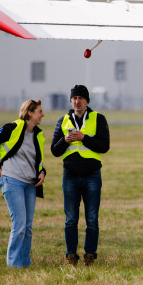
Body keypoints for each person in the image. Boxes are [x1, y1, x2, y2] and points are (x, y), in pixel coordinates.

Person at [0, 99, 47, 268]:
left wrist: (42, 172)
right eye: (40, 111)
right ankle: (13, 266)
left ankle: (25, 264)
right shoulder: (13, 127)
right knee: (19, 225)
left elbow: (36, 160)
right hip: (12, 180)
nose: (42, 114)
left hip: (30, 184)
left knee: (28, 226)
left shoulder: (38, 134)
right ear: (30, 113)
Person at [51, 85, 110, 266]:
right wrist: (65, 140)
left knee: (92, 218)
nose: (77, 101)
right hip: (70, 176)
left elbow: (104, 146)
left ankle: (90, 254)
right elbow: (54, 150)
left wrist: (84, 138)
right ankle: (71, 255)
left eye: (81, 98)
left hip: (92, 175)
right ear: (71, 101)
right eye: (74, 98)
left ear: (87, 101)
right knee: (70, 220)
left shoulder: (98, 118)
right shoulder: (62, 121)